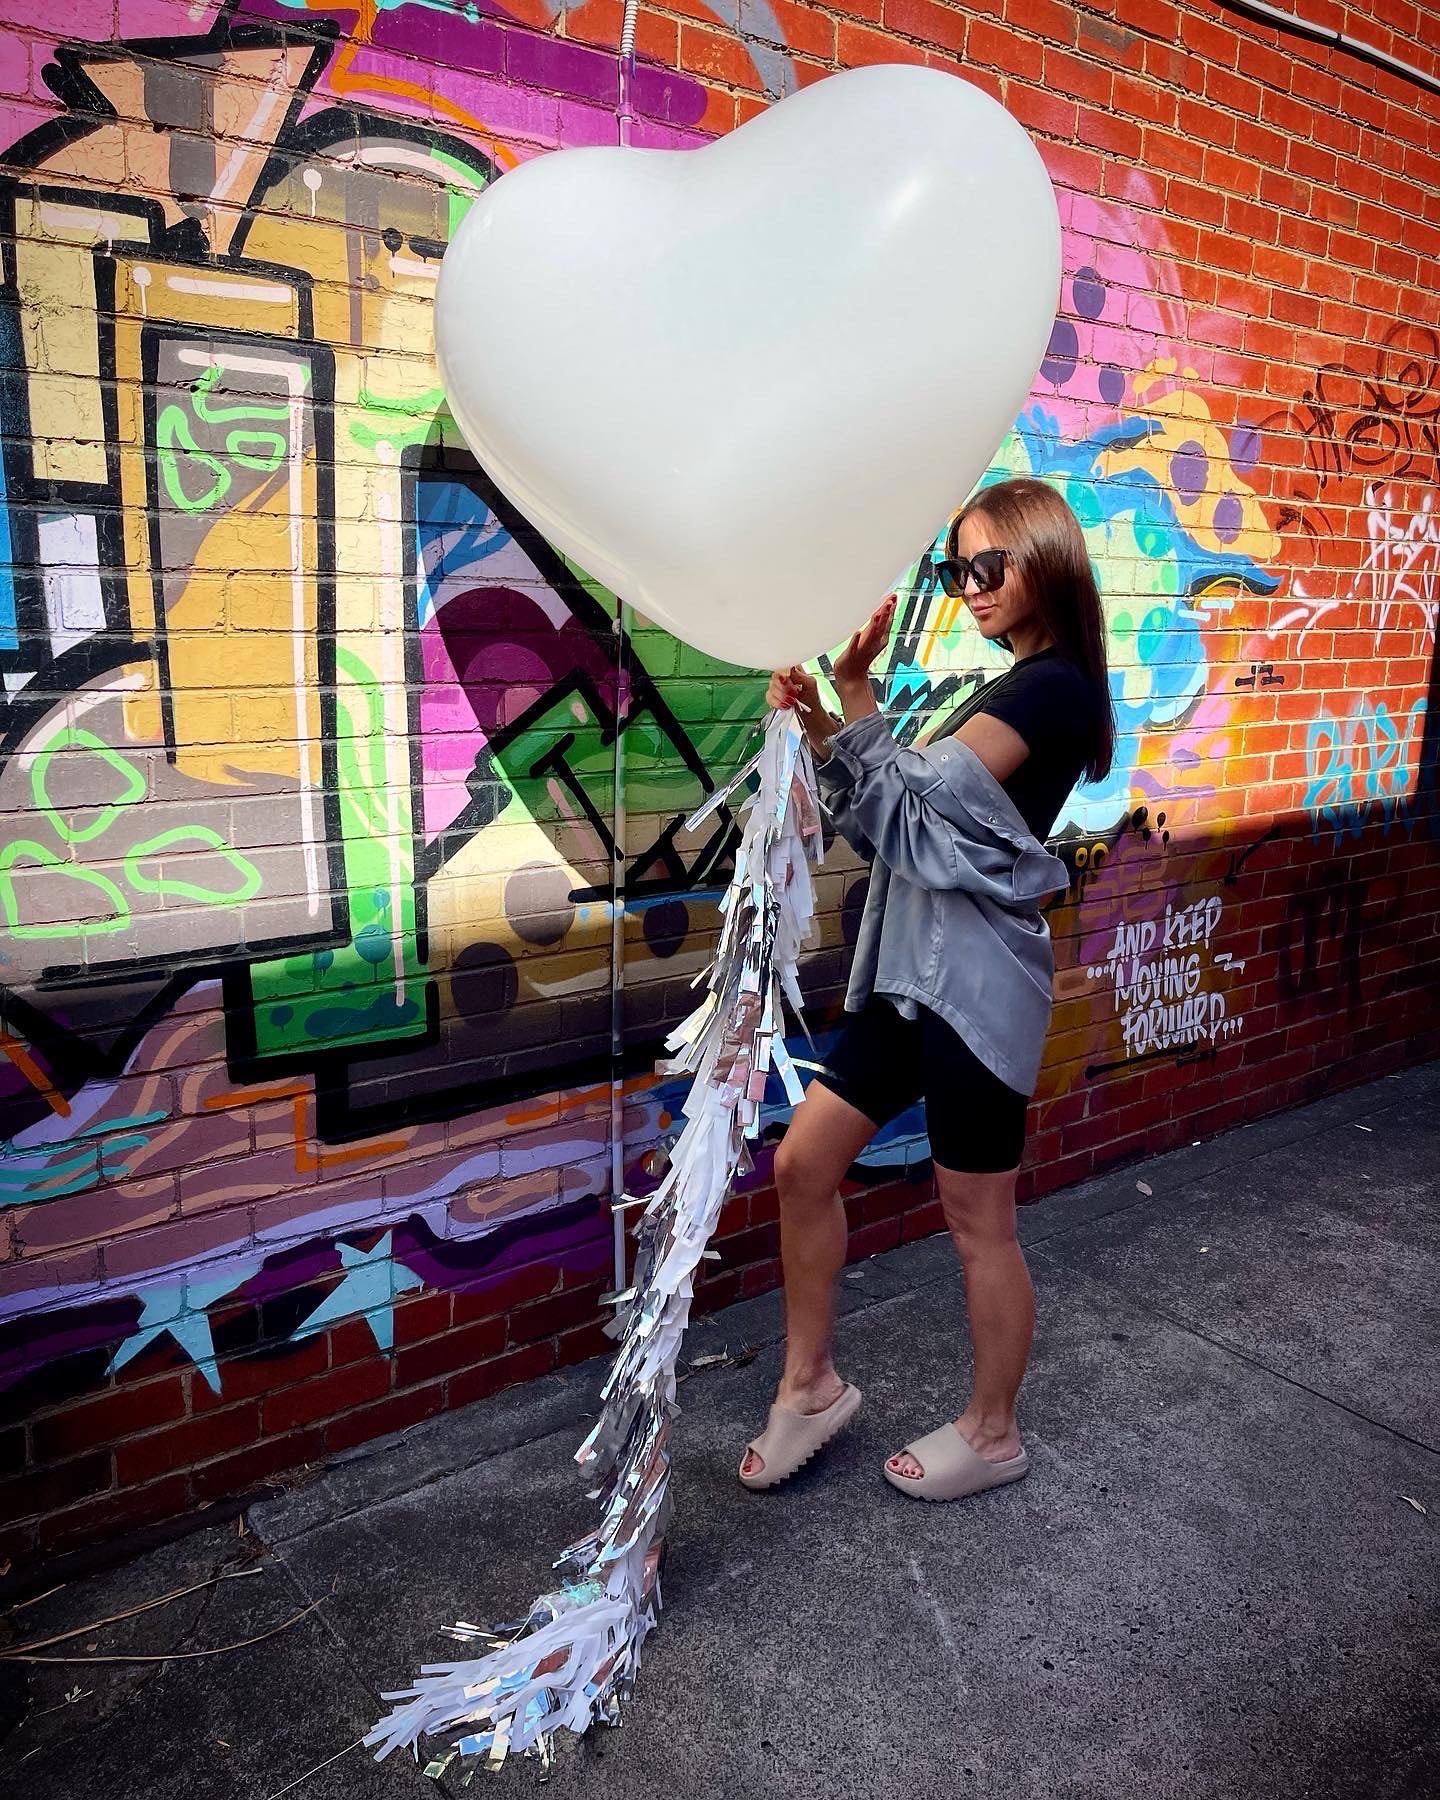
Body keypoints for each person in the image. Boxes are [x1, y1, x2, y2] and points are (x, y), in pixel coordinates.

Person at [738, 476, 1115, 1503]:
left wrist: (854, 706)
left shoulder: (1053, 690)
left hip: (978, 987)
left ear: (1045, 558)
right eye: (956, 570)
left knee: (976, 1217)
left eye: (985, 565)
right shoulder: (1004, 688)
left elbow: (914, 818)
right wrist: (830, 722)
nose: (969, 586)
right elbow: (889, 818)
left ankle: (995, 1433)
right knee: (802, 1165)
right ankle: (809, 1385)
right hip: (908, 975)